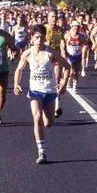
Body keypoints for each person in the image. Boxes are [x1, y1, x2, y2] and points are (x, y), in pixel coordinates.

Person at [14, 24, 70, 164]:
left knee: (48, 123)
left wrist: (63, 84)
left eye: (42, 37)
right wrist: (16, 84)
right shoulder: (27, 54)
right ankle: (41, 151)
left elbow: (67, 67)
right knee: (37, 117)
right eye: (37, 37)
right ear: (31, 38)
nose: (39, 40)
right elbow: (19, 69)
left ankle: (45, 127)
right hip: (35, 91)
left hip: (49, 92)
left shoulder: (51, 53)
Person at [44, 10, 66, 118]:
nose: (54, 18)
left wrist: (63, 54)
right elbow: (35, 42)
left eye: (56, 16)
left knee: (57, 80)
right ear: (48, 18)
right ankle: (46, 102)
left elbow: (62, 43)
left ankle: (57, 106)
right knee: (47, 82)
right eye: (52, 16)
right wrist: (45, 43)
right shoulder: (44, 29)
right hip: (46, 58)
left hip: (56, 57)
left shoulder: (60, 29)